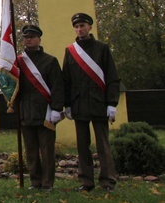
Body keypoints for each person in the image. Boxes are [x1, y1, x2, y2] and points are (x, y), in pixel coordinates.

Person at [62, 12, 120, 193]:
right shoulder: (70, 51)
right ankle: (86, 182)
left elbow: (112, 77)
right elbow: (66, 80)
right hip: (79, 105)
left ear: (90, 27)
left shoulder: (102, 48)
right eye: (77, 27)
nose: (79, 29)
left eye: (82, 26)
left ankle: (108, 181)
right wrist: (68, 104)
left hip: (99, 104)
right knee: (82, 147)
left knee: (103, 146)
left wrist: (112, 103)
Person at [16, 24, 64, 191]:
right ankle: (35, 181)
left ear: (39, 39)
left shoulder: (50, 61)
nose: (28, 40)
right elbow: (12, 86)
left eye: (32, 37)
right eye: (26, 37)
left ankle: (47, 183)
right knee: (31, 151)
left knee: (47, 151)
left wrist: (57, 108)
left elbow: (58, 86)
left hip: (46, 113)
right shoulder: (19, 62)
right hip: (26, 112)